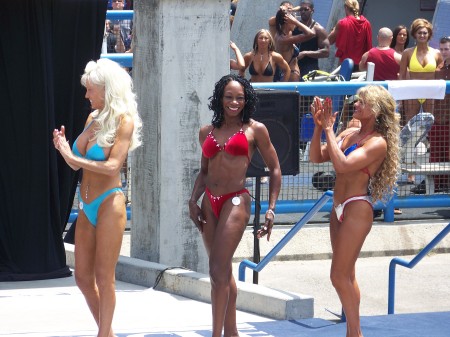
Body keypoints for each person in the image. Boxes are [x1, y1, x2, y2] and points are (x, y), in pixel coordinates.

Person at [53, 58, 142, 337]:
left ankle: (103, 334)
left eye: (91, 89)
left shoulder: (123, 121)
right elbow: (76, 162)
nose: (86, 95)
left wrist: (71, 157)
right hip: (86, 202)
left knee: (105, 278)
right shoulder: (93, 118)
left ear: (106, 89)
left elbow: (113, 166)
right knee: (81, 277)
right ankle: (108, 333)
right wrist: (64, 148)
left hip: (109, 202)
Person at [188, 74, 281, 337]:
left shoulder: (255, 129)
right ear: (220, 98)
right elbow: (204, 172)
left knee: (217, 271)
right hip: (209, 203)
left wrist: (271, 209)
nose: (234, 102)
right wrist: (192, 200)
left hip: (236, 200)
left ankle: (216, 334)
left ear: (246, 100)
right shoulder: (206, 132)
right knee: (223, 270)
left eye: (239, 97)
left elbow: (275, 169)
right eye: (229, 96)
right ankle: (231, 332)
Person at [309, 85, 400, 337]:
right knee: (347, 275)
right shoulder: (350, 132)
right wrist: (319, 127)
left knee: (338, 276)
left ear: (376, 110)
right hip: (338, 207)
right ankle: (353, 332)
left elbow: (344, 164)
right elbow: (316, 157)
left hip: (357, 207)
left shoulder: (378, 143)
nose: (356, 104)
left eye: (362, 102)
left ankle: (355, 333)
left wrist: (329, 128)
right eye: (357, 101)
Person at [412, 36, 450, 194]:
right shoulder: (438, 68)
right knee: (435, 152)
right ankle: (436, 183)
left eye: (446, 49)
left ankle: (445, 184)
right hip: (437, 116)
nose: (443, 52)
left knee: (448, 152)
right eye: (441, 49)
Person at [328, 0, 372, 71]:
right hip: (359, 65)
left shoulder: (343, 23)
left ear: (346, 7)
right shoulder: (367, 24)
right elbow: (368, 45)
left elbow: (329, 41)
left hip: (344, 63)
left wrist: (334, 30)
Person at [274, 8, 315, 81]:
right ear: (287, 22)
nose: (295, 25)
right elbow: (311, 34)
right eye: (293, 22)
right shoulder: (283, 39)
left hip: (290, 73)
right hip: (291, 75)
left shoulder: (284, 34)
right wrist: (296, 21)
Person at [294, 0, 330, 80]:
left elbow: (326, 52)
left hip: (309, 68)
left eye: (306, 9)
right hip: (294, 67)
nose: (303, 12)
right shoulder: (293, 27)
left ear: (312, 11)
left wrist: (305, 53)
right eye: (301, 10)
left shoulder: (318, 29)